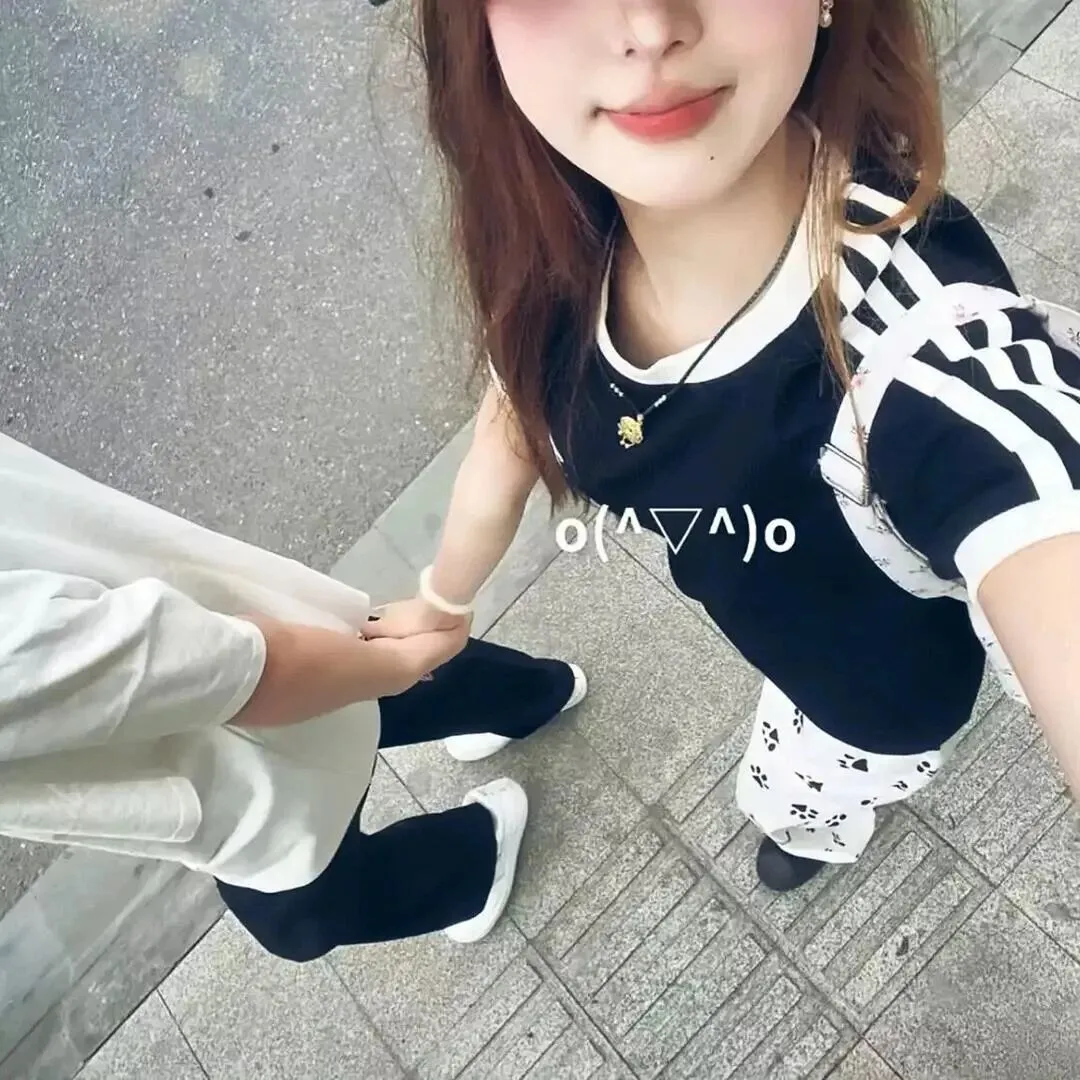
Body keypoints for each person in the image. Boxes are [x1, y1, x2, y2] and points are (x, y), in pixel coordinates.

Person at [364, 0, 1080, 892]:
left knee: (797, 779)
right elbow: (510, 431)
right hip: (773, 626)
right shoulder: (565, 242)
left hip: (868, 693)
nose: (648, 25)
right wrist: (444, 600)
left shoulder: (910, 347)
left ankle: (813, 826)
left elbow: (1030, 485)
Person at [0, 432, 587, 960]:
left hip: (212, 711)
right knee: (367, 671)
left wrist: (398, 663)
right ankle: (536, 694)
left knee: (301, 911)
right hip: (196, 634)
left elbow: (220, 666)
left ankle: (476, 858)